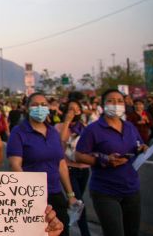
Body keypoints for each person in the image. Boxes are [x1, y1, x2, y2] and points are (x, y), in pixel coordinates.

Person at [75, 89, 149, 236]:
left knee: (132, 232)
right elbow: (79, 155)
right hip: (105, 191)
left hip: (131, 189)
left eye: (120, 101)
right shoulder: (93, 129)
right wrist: (103, 160)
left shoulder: (129, 126)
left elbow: (138, 144)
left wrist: (143, 148)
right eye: (111, 101)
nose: (116, 105)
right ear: (103, 105)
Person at [7, 92, 77, 236]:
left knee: (62, 231)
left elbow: (61, 164)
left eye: (43, 105)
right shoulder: (19, 132)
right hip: (33, 197)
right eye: (35, 105)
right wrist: (29, 195)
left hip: (56, 193)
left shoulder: (52, 132)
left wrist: (70, 194)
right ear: (27, 108)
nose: (40, 108)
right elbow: (15, 165)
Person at [55, 100, 91, 236]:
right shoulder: (59, 127)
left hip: (83, 169)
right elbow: (61, 143)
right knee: (79, 203)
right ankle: (85, 232)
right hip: (69, 169)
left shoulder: (84, 128)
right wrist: (66, 122)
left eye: (76, 109)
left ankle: (66, 225)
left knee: (75, 203)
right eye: (70, 109)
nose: (73, 112)